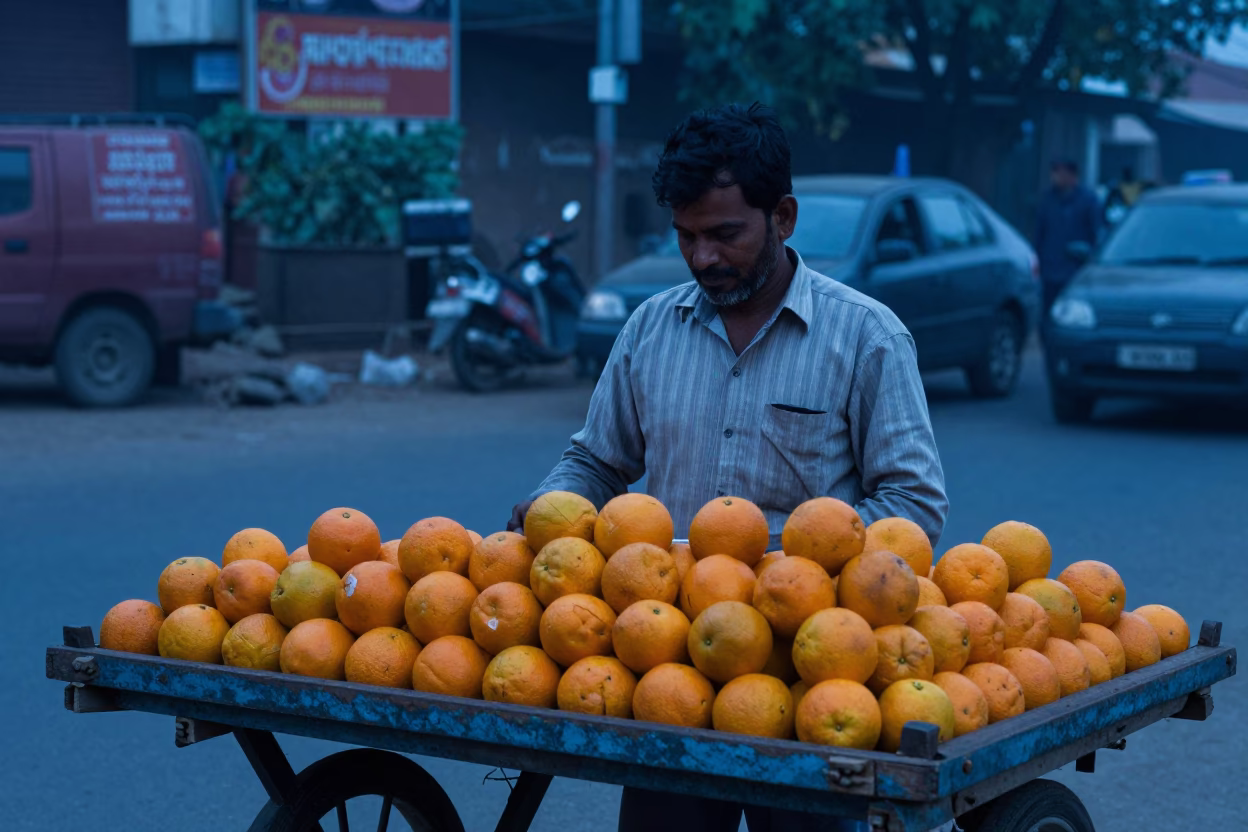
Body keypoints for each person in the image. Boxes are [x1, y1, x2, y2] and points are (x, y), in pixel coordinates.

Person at [507, 102, 949, 832]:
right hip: (666, 668)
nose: (703, 258)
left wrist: (782, 567)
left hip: (808, 673)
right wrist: (553, 503)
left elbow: (912, 506)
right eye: (685, 237)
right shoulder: (651, 327)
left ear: (782, 216)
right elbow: (595, 460)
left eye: (724, 235)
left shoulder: (868, 337)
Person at [1034, 158, 1101, 313]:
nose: (1055, 177)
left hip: (1075, 271)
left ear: (1071, 175)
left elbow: (1096, 234)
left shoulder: (1089, 201)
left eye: (1059, 172)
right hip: (1049, 270)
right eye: (1054, 172)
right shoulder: (1048, 199)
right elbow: (1039, 233)